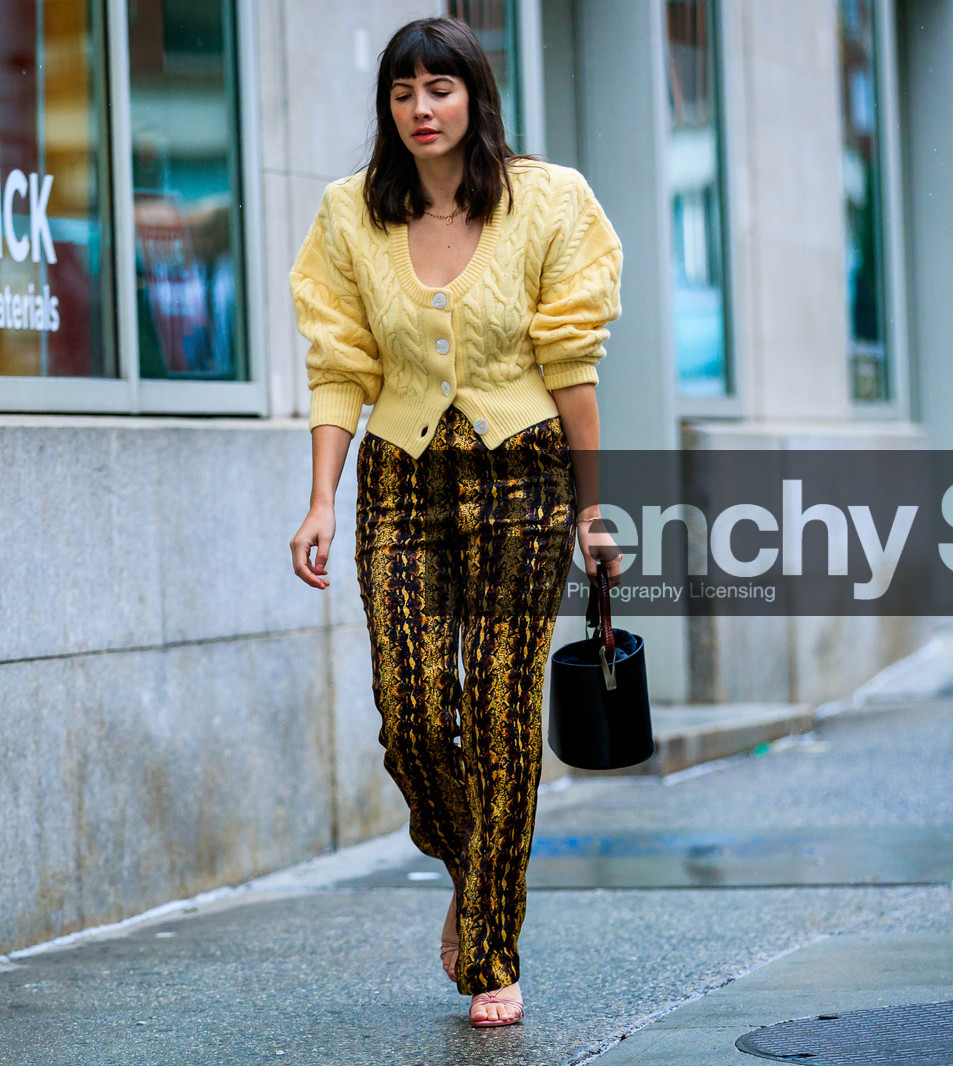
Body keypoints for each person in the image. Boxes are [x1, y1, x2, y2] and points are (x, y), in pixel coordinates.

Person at [287, 16, 623, 1028]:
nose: (420, 109)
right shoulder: (350, 214)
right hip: (400, 476)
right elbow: (341, 363)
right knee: (409, 703)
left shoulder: (549, 200)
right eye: (402, 92)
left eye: (439, 88)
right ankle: (472, 867)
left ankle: (490, 948)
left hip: (523, 474)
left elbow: (571, 366)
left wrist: (595, 504)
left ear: (474, 96)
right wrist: (318, 497)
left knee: (502, 712)